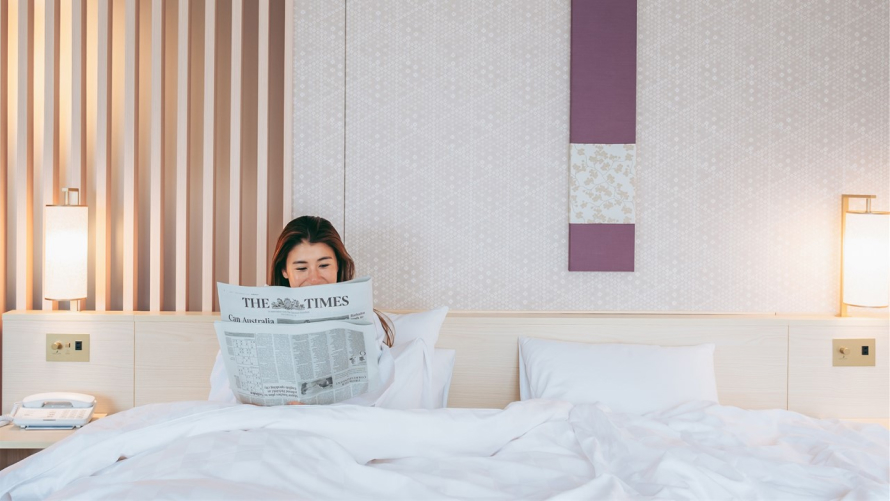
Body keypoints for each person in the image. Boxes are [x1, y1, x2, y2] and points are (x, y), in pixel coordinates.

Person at [208, 215, 396, 406]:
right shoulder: (253, 317)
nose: (314, 278)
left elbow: (374, 390)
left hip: (336, 417)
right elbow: (222, 397)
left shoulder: (366, 319)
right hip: (271, 418)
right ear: (284, 270)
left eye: (324, 265)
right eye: (301, 268)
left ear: (338, 265)